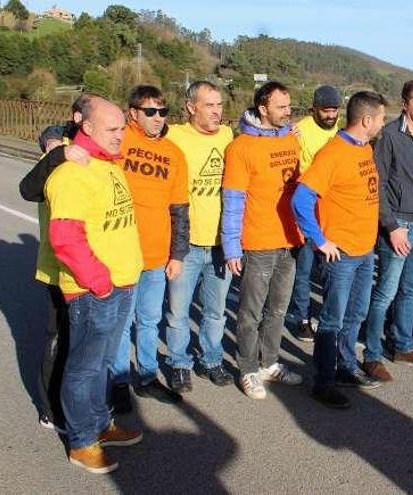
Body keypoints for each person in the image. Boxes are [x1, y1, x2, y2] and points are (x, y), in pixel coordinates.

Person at [45, 97, 144, 473]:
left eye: (122, 128)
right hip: (94, 290)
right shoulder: (73, 173)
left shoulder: (108, 164)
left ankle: (102, 424)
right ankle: (81, 441)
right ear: (85, 127)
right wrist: (100, 284)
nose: (121, 136)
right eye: (112, 129)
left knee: (102, 363)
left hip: (121, 283)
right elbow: (66, 239)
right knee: (84, 367)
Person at [292, 91, 388, 409]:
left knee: (356, 314)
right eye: (381, 118)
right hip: (342, 253)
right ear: (366, 120)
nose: (383, 124)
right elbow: (301, 199)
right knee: (332, 319)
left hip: (364, 250)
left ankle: (346, 367)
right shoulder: (332, 154)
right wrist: (320, 240)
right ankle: (324, 381)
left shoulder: (363, 149)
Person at [222, 81, 305, 400]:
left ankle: (270, 362)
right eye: (282, 107)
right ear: (262, 108)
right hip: (258, 242)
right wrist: (231, 246)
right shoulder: (241, 147)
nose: (288, 112)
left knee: (278, 310)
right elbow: (233, 200)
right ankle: (247, 369)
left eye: (289, 106)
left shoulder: (292, 140)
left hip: (289, 239)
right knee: (250, 312)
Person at [109, 85, 188, 412]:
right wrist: (53, 140)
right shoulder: (118, 139)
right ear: (133, 113)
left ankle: (146, 375)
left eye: (163, 111)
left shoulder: (174, 153)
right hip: (121, 251)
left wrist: (177, 254)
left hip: (157, 254)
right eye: (150, 112)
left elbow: (180, 208)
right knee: (121, 321)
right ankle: (117, 381)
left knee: (149, 319)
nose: (158, 118)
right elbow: (78, 128)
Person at [19, 95, 93, 433]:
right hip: (59, 264)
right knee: (59, 336)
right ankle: (49, 407)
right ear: (79, 118)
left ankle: (81, 401)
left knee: (85, 340)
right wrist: (56, 150)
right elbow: (27, 188)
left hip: (95, 263)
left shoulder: (101, 150)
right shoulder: (58, 150)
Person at [363, 80, 413, 382]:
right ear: (405, 104)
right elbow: (378, 186)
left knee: (410, 289)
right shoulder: (389, 136)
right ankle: (371, 355)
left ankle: (403, 345)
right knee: (385, 293)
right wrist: (392, 227)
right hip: (400, 227)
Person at [164, 81, 235, 393]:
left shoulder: (229, 136)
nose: (217, 112)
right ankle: (179, 363)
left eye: (219, 105)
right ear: (191, 107)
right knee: (178, 310)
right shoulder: (175, 136)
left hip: (221, 243)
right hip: (187, 243)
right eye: (209, 105)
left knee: (215, 310)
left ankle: (211, 358)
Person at [287, 85, 342, 342]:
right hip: (310, 210)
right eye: (326, 111)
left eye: (334, 110)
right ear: (314, 108)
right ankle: (301, 316)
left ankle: (327, 316)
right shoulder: (301, 131)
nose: (330, 115)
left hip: (333, 211)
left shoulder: (340, 129)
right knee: (305, 270)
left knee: (331, 269)